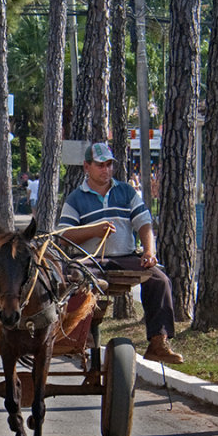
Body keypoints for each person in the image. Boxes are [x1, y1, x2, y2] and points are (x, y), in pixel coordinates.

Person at [58, 142, 183, 364]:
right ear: (87, 166)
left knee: (160, 280)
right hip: (90, 260)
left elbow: (144, 223)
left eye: (109, 165)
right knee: (76, 276)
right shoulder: (75, 198)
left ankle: (158, 341)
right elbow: (64, 235)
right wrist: (93, 230)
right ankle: (79, 336)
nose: (106, 170)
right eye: (100, 165)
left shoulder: (126, 191)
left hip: (125, 257)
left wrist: (149, 251)